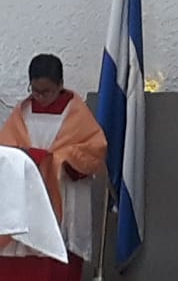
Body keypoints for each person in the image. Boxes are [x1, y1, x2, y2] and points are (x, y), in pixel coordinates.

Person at [0, 54, 107, 280]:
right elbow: (6, 151)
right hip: (28, 194)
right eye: (35, 90)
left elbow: (94, 150)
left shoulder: (76, 113)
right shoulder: (22, 113)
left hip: (65, 193)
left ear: (60, 85)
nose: (40, 97)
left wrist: (58, 159)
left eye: (46, 91)